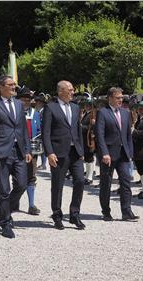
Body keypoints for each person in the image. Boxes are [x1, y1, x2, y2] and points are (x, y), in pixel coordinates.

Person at [0, 75, 32, 238]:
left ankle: (8, 210)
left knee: (22, 184)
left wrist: (27, 150)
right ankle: (5, 222)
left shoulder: (19, 104)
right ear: (1, 87)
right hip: (2, 152)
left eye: (14, 84)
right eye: (10, 84)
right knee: (4, 189)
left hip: (19, 151)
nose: (14, 87)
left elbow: (23, 129)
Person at [42, 80, 85, 230]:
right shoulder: (50, 108)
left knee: (80, 181)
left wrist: (82, 151)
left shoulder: (75, 107)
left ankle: (74, 214)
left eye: (73, 90)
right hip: (58, 153)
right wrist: (49, 152)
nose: (73, 92)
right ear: (61, 91)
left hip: (75, 152)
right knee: (57, 185)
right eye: (70, 90)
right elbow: (45, 132)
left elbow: (78, 130)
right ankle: (57, 215)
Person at [95, 87, 138, 221]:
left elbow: (127, 135)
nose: (121, 100)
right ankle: (106, 211)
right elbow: (99, 135)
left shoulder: (125, 113)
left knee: (126, 182)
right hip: (108, 155)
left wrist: (130, 152)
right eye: (118, 97)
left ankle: (126, 211)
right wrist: (104, 153)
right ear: (110, 98)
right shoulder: (102, 112)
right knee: (106, 184)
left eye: (121, 97)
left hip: (123, 154)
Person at [14, 87, 41, 215]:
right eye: (23, 99)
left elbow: (39, 130)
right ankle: (14, 202)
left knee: (31, 176)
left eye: (28, 100)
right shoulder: (13, 112)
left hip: (32, 150)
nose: (26, 102)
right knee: (16, 177)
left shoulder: (35, 114)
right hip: (16, 149)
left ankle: (31, 205)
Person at [80, 92, 96, 186]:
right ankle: (87, 176)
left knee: (89, 157)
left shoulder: (93, 114)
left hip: (90, 138)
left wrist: (81, 126)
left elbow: (91, 127)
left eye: (88, 105)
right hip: (85, 138)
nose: (87, 106)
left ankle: (89, 177)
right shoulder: (87, 114)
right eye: (86, 105)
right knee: (87, 157)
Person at [35, 93, 48, 170]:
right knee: (39, 148)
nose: (37, 103)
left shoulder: (44, 111)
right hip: (38, 132)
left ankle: (43, 164)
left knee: (43, 149)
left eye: (39, 102)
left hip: (42, 131)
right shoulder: (38, 111)